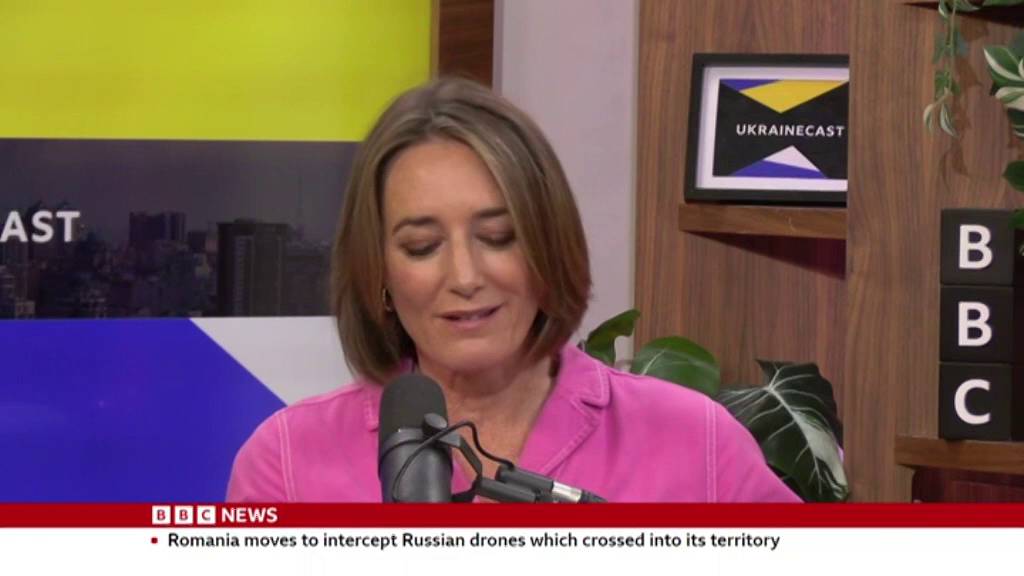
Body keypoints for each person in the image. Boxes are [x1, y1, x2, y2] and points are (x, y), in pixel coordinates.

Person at [227, 77, 799, 502]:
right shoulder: (287, 462)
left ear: (547, 246)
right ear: (378, 274)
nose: (465, 276)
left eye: (498, 237)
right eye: (422, 247)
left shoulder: (695, 442)